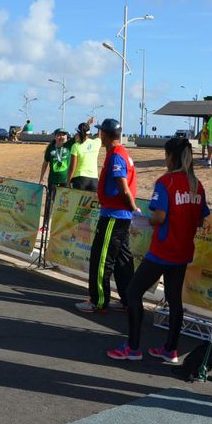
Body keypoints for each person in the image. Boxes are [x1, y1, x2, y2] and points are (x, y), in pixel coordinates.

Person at [107, 137, 209, 362]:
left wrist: (146, 221)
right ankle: (171, 350)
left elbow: (159, 217)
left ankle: (133, 348)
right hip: (183, 251)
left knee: (133, 293)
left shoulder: (166, 182)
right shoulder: (197, 185)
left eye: (166, 155)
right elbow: (201, 220)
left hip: (163, 250)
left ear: (171, 157)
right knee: (174, 299)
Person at [75, 119, 137, 313]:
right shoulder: (120, 153)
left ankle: (98, 301)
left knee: (102, 258)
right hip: (120, 215)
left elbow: (123, 187)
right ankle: (128, 299)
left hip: (113, 215)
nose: (99, 135)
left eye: (101, 132)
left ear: (107, 135)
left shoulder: (117, 155)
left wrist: (133, 207)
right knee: (122, 259)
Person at [39, 128, 72, 226]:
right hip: (52, 181)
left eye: (63, 135)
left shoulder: (69, 145)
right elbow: (45, 163)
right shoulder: (50, 148)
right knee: (49, 203)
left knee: (64, 205)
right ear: (55, 137)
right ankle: (45, 224)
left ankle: (61, 225)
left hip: (65, 181)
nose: (61, 137)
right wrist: (41, 177)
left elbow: (79, 136)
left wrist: (87, 125)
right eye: (59, 135)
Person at [67, 119, 100, 192]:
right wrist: (99, 128)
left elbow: (72, 166)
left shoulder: (76, 146)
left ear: (78, 133)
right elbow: (99, 136)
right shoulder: (96, 143)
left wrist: (68, 181)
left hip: (80, 179)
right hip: (94, 180)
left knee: (76, 199)